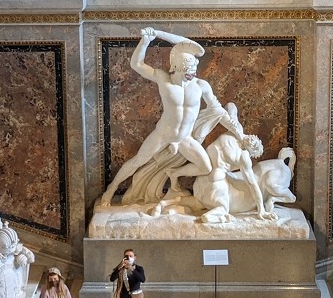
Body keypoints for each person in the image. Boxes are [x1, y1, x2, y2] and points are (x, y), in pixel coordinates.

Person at [98, 27, 245, 207]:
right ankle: (111, 189)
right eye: (188, 70)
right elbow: (136, 65)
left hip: (184, 138)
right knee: (138, 161)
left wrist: (240, 135)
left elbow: (219, 111)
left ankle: (173, 173)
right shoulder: (163, 79)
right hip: (163, 134)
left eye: (194, 69)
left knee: (205, 167)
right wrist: (145, 41)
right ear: (176, 67)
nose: (193, 73)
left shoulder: (201, 86)